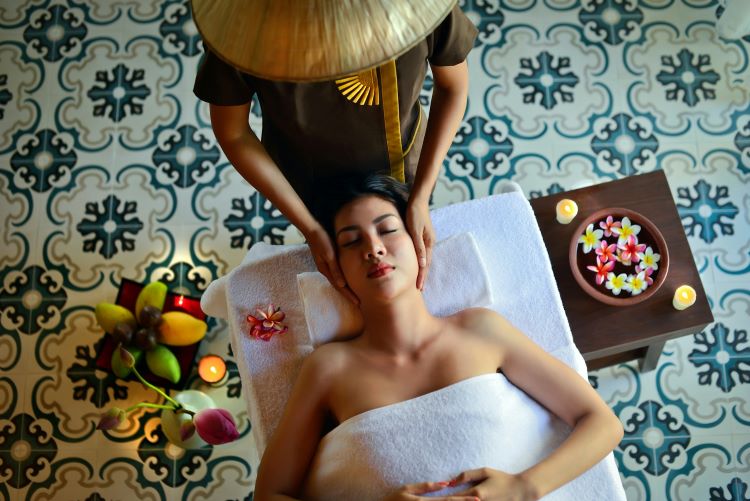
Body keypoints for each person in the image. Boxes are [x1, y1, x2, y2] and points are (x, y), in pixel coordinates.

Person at [253, 174, 624, 501]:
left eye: (387, 229)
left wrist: (524, 488)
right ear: (335, 267)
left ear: (419, 242)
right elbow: (271, 494)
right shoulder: (328, 368)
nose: (373, 248)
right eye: (351, 241)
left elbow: (600, 421)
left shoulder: (479, 329)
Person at [192, 2, 478, 299]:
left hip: (402, 167)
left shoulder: (419, 7)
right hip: (309, 183)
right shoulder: (244, 24)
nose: (375, 250)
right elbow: (234, 133)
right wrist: (310, 227)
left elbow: (453, 87)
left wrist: (419, 197)